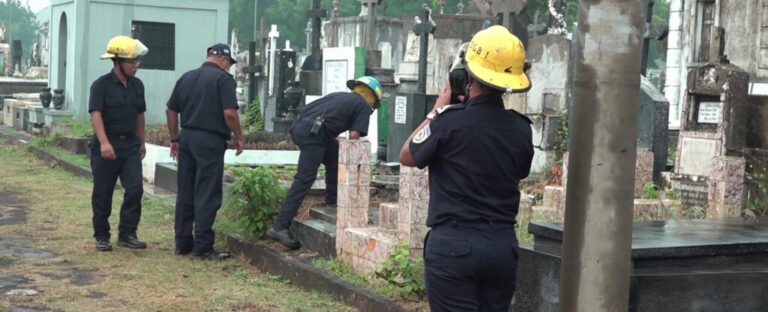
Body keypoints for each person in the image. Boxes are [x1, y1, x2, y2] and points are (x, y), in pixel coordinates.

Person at [399, 25, 534, 311]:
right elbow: (521, 171)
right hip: (501, 248)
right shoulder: (522, 130)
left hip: (454, 248)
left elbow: (407, 155)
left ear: (469, 76)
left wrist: (437, 109)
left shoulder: (448, 122)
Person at [266, 76, 383, 249]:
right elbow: (354, 137)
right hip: (313, 135)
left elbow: (324, 117)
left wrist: (334, 142)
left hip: (300, 127)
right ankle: (280, 226)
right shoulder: (363, 106)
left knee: (334, 158)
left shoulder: (340, 96)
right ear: (373, 98)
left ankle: (332, 200)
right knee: (305, 178)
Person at [166, 43, 244, 260]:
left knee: (186, 190)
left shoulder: (187, 77)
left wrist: (174, 138)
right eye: (228, 64)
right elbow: (229, 113)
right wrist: (239, 135)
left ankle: (182, 242)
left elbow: (171, 110)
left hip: (187, 137)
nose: (228, 68)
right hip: (210, 140)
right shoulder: (223, 80)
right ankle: (202, 247)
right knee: (207, 192)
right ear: (223, 60)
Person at [88, 35, 149, 251]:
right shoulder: (101, 86)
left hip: (130, 145)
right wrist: (104, 143)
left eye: (136, 61)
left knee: (135, 189)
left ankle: (127, 233)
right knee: (103, 192)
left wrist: (142, 141)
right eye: (132, 62)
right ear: (117, 62)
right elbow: (96, 115)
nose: (136, 66)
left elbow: (140, 115)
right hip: (106, 145)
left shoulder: (137, 86)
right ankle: (102, 235)